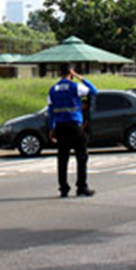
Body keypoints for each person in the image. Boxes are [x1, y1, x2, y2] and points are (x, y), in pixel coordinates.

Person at [48, 63, 97, 198]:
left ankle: (63, 188)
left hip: (60, 127)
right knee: (81, 156)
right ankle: (81, 187)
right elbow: (93, 91)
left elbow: (50, 111)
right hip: (74, 126)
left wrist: (51, 129)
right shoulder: (75, 87)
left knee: (62, 158)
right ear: (70, 72)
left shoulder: (53, 90)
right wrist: (80, 77)